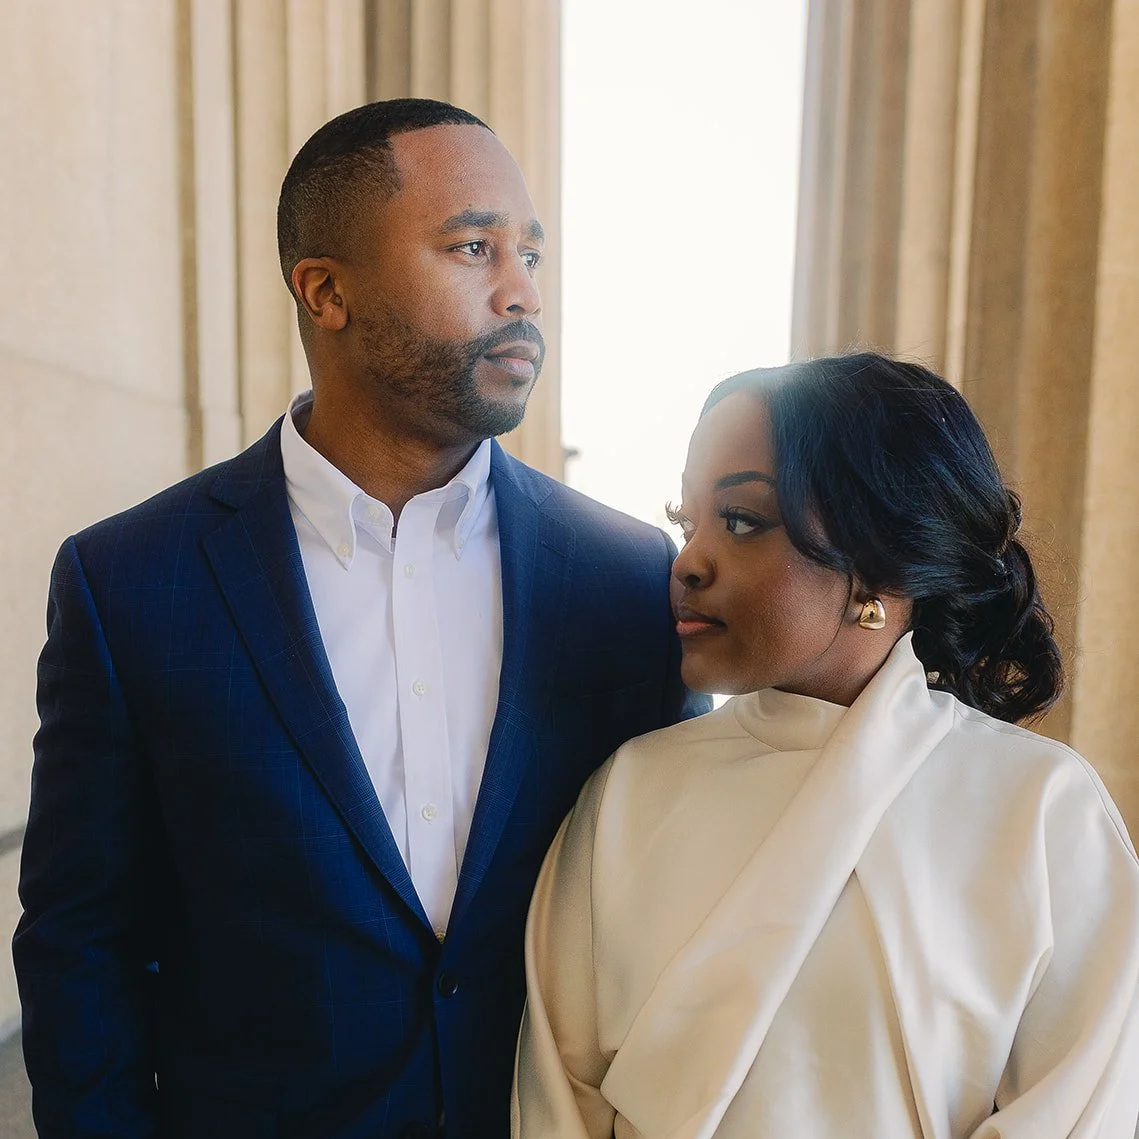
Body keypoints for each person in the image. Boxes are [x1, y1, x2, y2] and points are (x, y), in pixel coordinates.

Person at [14, 98, 707, 1139]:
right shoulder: (130, 581)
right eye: (472, 246)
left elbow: (676, 910)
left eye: (529, 252)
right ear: (325, 291)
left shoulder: (620, 577)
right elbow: (81, 939)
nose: (520, 292)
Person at [513, 353, 1139, 1139]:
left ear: (877, 567)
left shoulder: (1042, 809)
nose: (688, 560)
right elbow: (556, 1101)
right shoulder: (627, 792)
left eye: (740, 520)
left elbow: (1083, 1110)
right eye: (687, 521)